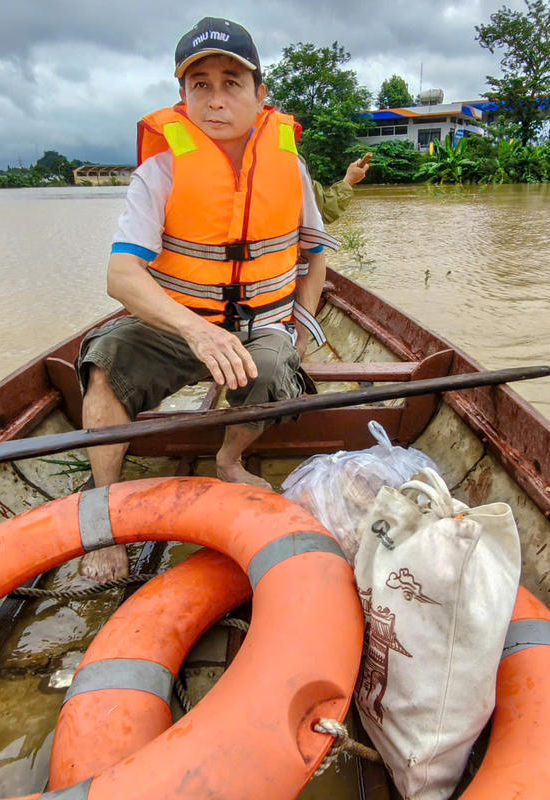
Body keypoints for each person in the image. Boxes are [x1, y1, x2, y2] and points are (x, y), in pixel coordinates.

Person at [76, 17, 339, 581]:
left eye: (231, 82)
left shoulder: (290, 167)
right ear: (183, 96)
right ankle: (102, 507)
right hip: (177, 325)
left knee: (272, 366)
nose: (215, 99)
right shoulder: (161, 170)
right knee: (106, 363)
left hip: (261, 323)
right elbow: (122, 275)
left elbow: (315, 252)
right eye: (201, 85)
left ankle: (229, 458)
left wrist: (304, 326)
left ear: (259, 94)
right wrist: (196, 329)